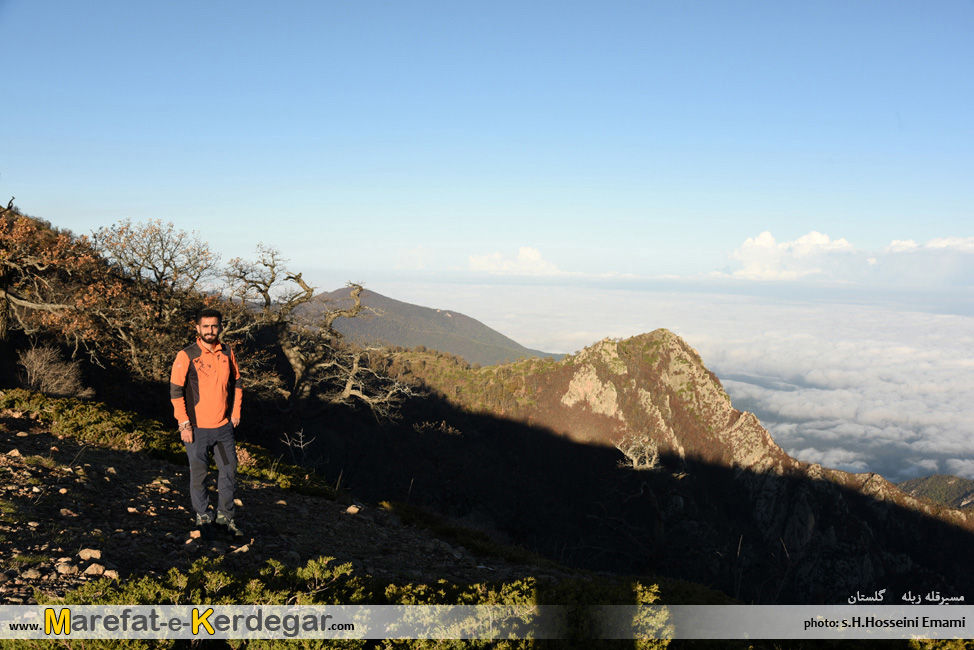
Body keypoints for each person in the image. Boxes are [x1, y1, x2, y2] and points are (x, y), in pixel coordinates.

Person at [170, 308, 244, 539]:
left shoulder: (227, 352)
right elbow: (175, 390)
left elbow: (238, 383)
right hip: (197, 429)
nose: (210, 330)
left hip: (222, 428)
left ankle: (225, 517)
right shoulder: (187, 355)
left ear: (220, 326)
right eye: (205, 326)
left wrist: (236, 413)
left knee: (228, 470)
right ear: (198, 328)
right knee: (199, 474)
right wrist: (184, 424)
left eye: (214, 326)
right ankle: (202, 517)